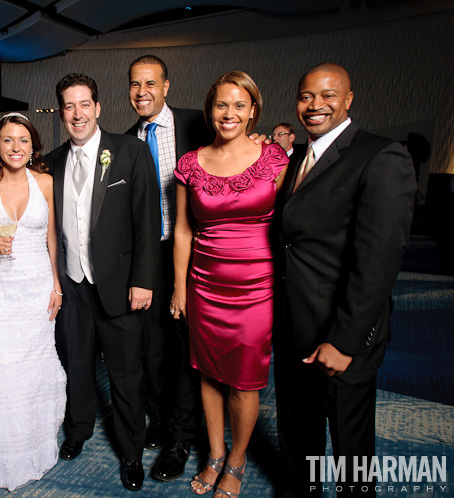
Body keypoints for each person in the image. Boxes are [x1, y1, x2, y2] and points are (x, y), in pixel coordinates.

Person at [272, 63, 416, 498]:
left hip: (343, 335)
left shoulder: (381, 155)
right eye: (305, 96)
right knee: (298, 434)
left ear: (349, 99)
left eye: (328, 95)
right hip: (293, 325)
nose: (315, 105)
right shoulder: (297, 157)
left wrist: (346, 342)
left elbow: (378, 263)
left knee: (351, 450)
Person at [170, 71, 288, 498]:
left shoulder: (274, 158)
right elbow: (183, 231)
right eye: (222, 104)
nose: (230, 113)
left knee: (244, 379)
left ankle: (237, 460)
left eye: (240, 105)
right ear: (210, 110)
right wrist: (180, 289)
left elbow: (292, 224)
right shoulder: (190, 163)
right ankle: (214, 454)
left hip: (258, 284)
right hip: (205, 282)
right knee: (207, 372)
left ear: (254, 110)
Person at [47, 73, 161, 492]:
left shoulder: (130, 152)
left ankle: (131, 452)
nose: (77, 114)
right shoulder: (54, 162)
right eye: (68, 107)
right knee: (75, 364)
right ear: (61, 113)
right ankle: (78, 430)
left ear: (98, 108)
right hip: (72, 285)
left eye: (84, 105)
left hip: (120, 285)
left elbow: (148, 222)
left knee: (125, 374)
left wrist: (143, 280)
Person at [0, 112, 66, 491]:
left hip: (37, 285)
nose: (16, 147)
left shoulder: (45, 182)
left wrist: (56, 284)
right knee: (1, 363)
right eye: (8, 140)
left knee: (34, 365)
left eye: (23, 140)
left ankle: (37, 447)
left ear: (33, 146)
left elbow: (52, 237)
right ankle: (0, 454)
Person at [124, 54, 210, 482]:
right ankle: (159, 419)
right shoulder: (124, 141)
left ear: (167, 86)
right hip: (151, 255)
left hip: (202, 253)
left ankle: (181, 436)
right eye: (135, 85)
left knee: (188, 347)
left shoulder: (201, 124)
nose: (142, 91)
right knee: (153, 347)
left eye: (150, 83)